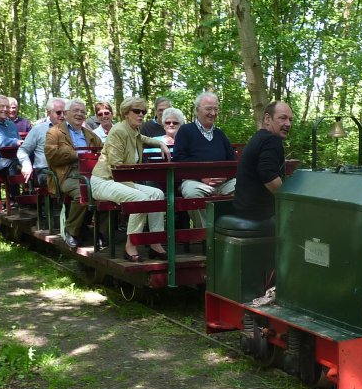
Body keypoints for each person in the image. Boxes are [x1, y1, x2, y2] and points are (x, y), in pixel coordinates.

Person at [90, 97, 170, 262]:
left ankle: (155, 243)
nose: (141, 115)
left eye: (143, 112)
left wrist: (160, 144)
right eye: (137, 111)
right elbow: (115, 167)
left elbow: (142, 139)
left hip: (121, 180)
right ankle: (130, 246)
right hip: (104, 181)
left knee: (158, 194)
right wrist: (135, 187)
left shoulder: (133, 130)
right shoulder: (119, 131)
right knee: (140, 198)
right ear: (126, 113)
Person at [45, 99, 103, 248]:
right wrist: (76, 154)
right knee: (82, 192)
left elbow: (102, 152)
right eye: (76, 111)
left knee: (108, 191)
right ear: (66, 113)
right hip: (67, 174)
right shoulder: (55, 132)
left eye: (82, 112)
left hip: (92, 174)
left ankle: (100, 232)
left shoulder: (91, 135)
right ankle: (71, 230)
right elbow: (51, 156)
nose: (79, 114)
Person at [172, 91, 235, 227]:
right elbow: (179, 159)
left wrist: (225, 176)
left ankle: (227, 230)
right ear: (197, 110)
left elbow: (232, 161)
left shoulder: (220, 135)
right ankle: (206, 234)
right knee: (192, 193)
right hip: (195, 181)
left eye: (215, 109)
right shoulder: (185, 131)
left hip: (222, 183)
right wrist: (201, 176)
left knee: (242, 188)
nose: (213, 113)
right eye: (208, 108)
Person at [233, 101, 293, 221]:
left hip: (243, 210)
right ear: (267, 119)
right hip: (259, 213)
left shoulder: (259, 137)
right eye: (283, 118)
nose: (288, 124)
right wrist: (289, 201)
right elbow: (268, 175)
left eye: (290, 120)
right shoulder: (271, 140)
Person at [17, 97, 67, 187]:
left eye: (65, 112)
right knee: (62, 181)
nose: (62, 116)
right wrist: (26, 164)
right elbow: (23, 150)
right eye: (58, 112)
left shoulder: (71, 129)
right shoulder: (38, 129)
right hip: (45, 170)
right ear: (48, 112)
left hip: (67, 169)